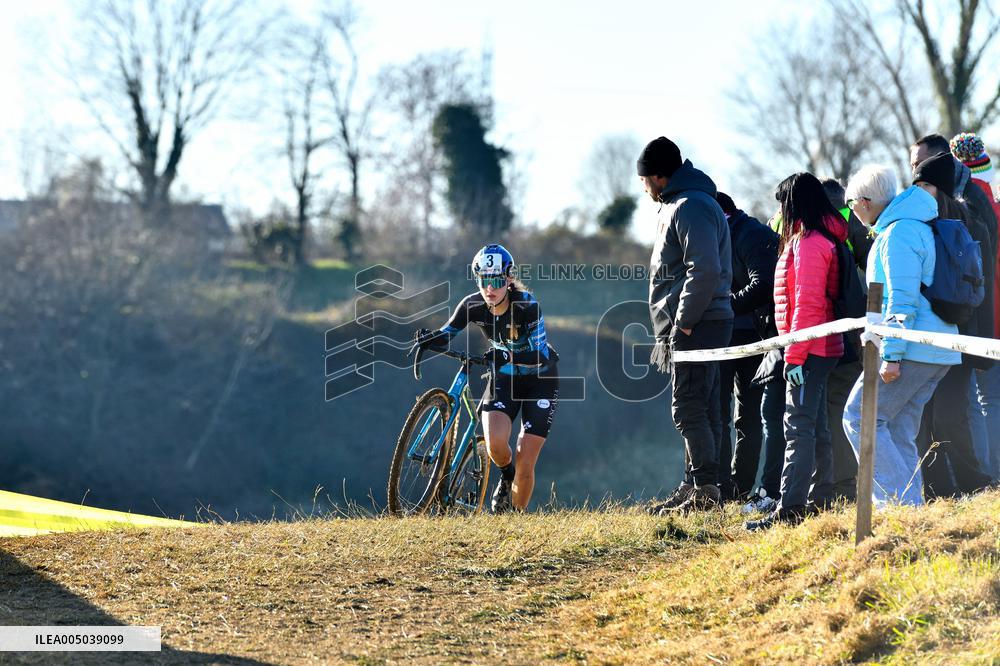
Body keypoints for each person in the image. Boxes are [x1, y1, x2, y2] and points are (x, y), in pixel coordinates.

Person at [843, 165, 960, 506]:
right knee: (897, 430)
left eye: (852, 203)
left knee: (860, 418)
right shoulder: (906, 226)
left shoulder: (898, 234)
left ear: (864, 202)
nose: (851, 211)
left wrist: (891, 354)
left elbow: (902, 299)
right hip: (930, 346)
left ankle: (900, 507)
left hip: (911, 348)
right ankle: (912, 510)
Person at [411, 244, 559, 514]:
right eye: (484, 280)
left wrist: (508, 358)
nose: (490, 288)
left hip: (540, 380)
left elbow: (542, 357)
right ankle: (506, 475)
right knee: (496, 446)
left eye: (496, 281)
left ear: (508, 278)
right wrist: (430, 339)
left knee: (526, 456)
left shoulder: (527, 306)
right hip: (504, 377)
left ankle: (514, 520)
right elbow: (448, 333)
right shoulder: (472, 305)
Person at [638, 136, 734, 514]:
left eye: (643, 177)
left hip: (699, 321)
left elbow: (704, 268)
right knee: (703, 405)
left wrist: (685, 321)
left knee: (688, 406)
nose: (642, 185)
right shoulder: (681, 203)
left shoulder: (690, 205)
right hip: (698, 320)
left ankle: (705, 491)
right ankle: (695, 483)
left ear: (659, 176)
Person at [745, 173, 846, 530]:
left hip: (808, 349)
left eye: (782, 204)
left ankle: (789, 510)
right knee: (815, 427)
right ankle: (819, 499)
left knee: (797, 428)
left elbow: (806, 304)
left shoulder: (808, 243)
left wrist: (794, 357)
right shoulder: (821, 238)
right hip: (818, 347)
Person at [910, 152, 995, 497]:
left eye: (926, 185)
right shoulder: (921, 227)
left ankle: (975, 484)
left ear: (942, 188)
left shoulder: (972, 225)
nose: (920, 192)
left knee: (951, 415)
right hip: (927, 336)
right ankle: (937, 490)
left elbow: (982, 288)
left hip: (960, 336)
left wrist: (979, 344)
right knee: (925, 417)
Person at [714, 191, 778, 502]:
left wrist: (721, 308)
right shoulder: (733, 232)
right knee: (725, 415)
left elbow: (762, 285)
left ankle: (735, 489)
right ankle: (724, 487)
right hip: (729, 334)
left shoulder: (750, 235)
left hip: (749, 336)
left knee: (745, 415)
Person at [952, 132, 1000, 481]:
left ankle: (988, 472)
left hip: (983, 314)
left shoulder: (961, 204)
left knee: (981, 400)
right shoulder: (995, 199)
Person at [820, 177, 871, 502]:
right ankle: (845, 482)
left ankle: (836, 484)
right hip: (851, 330)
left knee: (824, 410)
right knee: (844, 406)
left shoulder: (788, 221)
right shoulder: (854, 222)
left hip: (816, 331)